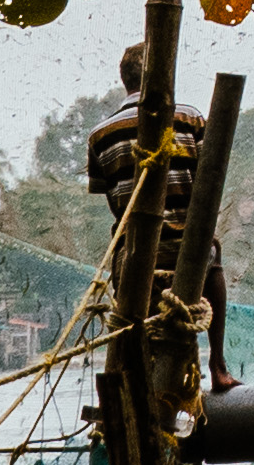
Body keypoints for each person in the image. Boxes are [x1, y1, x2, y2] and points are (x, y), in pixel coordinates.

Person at [78, 42, 230, 386]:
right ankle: (218, 365)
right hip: (187, 246)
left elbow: (110, 195)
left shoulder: (99, 135)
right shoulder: (190, 118)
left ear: (126, 80)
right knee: (214, 266)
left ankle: (137, 385)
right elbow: (208, 181)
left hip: (131, 252)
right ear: (165, 76)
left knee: (138, 340)